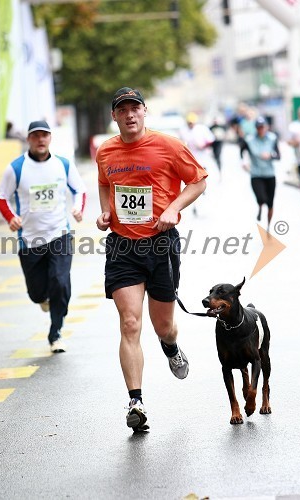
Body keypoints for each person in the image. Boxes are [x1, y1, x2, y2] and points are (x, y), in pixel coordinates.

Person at [96, 87, 207, 433]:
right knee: (130, 324)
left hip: (161, 245)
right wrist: (105, 211)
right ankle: (136, 401)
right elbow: (104, 183)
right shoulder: (106, 151)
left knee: (163, 326)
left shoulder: (169, 145)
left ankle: (170, 345)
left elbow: (199, 180)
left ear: (145, 112)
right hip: (122, 247)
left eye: (135, 108)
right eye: (122, 110)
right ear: (114, 116)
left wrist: (174, 207)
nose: (129, 115)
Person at [0, 120, 87, 353]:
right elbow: (1, 197)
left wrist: (78, 209)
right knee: (37, 293)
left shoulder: (63, 165)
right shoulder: (16, 168)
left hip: (59, 234)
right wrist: (10, 218)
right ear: (28, 139)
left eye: (44, 135)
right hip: (30, 240)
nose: (40, 140)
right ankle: (43, 299)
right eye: (35, 136)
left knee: (60, 281)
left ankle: (56, 331)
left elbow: (79, 190)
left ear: (50, 138)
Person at [240, 116, 280, 230]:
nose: (261, 130)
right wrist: (244, 162)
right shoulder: (250, 139)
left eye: (263, 127)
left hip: (269, 174)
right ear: (256, 128)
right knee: (261, 198)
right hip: (256, 174)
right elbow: (242, 150)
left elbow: (278, 155)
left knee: (270, 203)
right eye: (259, 128)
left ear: (266, 127)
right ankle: (260, 206)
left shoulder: (272, 138)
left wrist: (271, 155)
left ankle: (268, 226)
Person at [178, 112, 214, 215]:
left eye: (192, 123)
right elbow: (180, 142)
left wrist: (204, 145)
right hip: (190, 159)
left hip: (202, 158)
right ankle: (194, 200)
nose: (190, 125)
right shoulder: (183, 130)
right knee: (193, 180)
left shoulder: (202, 129)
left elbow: (211, 139)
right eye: (189, 123)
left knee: (202, 176)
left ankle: (202, 188)